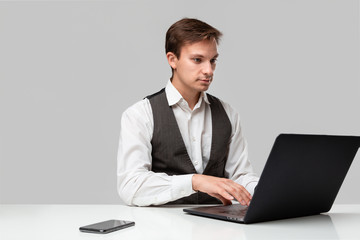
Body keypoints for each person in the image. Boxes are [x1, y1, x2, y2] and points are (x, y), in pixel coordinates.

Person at [117, 18, 259, 206]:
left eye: (213, 60)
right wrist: (195, 181)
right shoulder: (140, 115)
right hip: (159, 229)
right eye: (197, 60)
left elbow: (240, 176)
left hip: (216, 229)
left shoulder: (228, 114)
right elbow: (130, 186)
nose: (209, 70)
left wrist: (267, 189)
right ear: (172, 59)